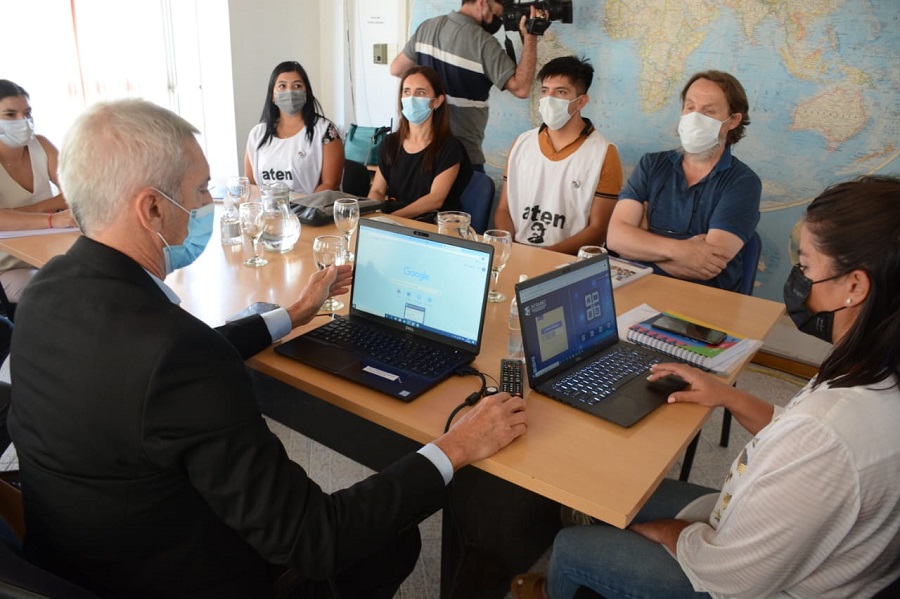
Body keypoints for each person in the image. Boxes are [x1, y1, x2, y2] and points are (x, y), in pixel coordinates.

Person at [8, 98, 528, 599]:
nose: (209, 202)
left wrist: (292, 315)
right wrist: (457, 445)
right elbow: (315, 540)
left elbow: (163, 368)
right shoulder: (175, 354)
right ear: (150, 208)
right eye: (201, 188)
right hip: (182, 578)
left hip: (74, 557)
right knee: (392, 539)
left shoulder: (47, 291)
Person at [512, 175, 900, 599]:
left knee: (573, 545)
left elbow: (733, 578)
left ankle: (556, 586)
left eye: (806, 266)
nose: (799, 279)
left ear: (855, 286)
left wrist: (670, 533)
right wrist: (726, 395)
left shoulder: (829, 434)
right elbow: (798, 436)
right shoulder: (877, 373)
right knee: (613, 493)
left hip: (750, 586)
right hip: (787, 541)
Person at [606, 70, 761, 292]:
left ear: (733, 121)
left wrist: (643, 242)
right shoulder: (652, 165)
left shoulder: (743, 183)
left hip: (704, 305)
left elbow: (706, 265)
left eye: (708, 111)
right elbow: (616, 238)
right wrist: (682, 251)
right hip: (639, 290)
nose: (695, 118)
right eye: (690, 107)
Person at [493, 56, 623, 255]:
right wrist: (510, 248)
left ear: (581, 102)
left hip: (567, 262)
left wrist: (546, 255)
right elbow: (504, 209)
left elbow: (598, 230)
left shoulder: (604, 153)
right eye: (545, 91)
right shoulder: (522, 143)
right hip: (516, 253)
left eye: (561, 92)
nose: (549, 99)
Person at [390, 0, 541, 171]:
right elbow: (521, 88)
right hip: (463, 156)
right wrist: (531, 38)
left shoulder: (427, 27)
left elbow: (396, 69)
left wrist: (427, 88)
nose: (498, 20)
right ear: (482, 4)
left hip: (420, 150)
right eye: (497, 14)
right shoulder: (484, 43)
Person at [0, 79, 76, 303]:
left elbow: (79, 190)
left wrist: (17, 213)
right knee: (60, 290)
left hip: (47, 251)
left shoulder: (41, 145)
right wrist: (52, 217)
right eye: (10, 114)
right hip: (7, 268)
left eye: (27, 112)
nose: (23, 121)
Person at [368, 66, 472, 219]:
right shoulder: (390, 143)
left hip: (434, 228)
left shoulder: (450, 147)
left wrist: (392, 219)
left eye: (420, 92)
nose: (412, 98)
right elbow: (377, 190)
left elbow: (435, 200)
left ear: (437, 101)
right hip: (395, 224)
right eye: (407, 91)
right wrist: (373, 214)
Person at [244, 61, 344, 194]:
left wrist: (300, 207)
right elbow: (250, 184)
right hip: (268, 212)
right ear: (273, 95)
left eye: (297, 86)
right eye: (282, 86)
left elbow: (330, 184)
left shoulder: (326, 131)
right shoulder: (257, 134)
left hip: (309, 211)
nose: (290, 91)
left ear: (306, 92)